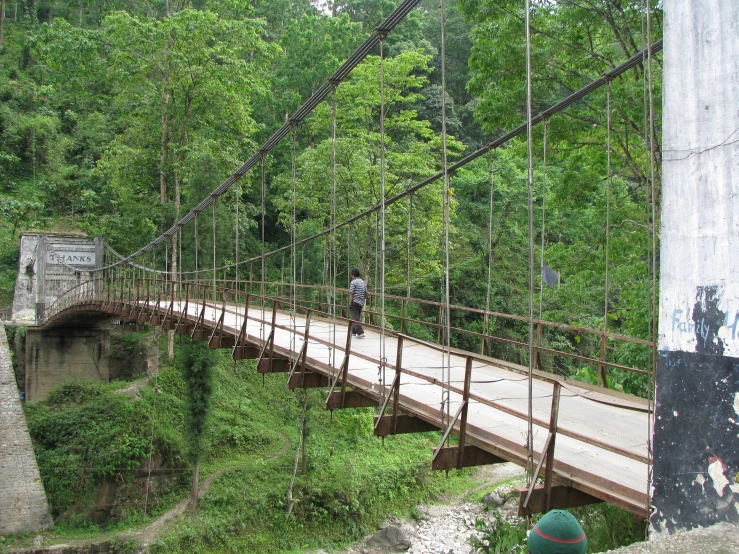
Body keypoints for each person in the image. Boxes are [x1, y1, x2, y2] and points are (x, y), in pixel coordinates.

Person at [348, 268, 366, 338]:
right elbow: (365, 293)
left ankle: (360, 332)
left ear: (353, 275)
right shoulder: (362, 282)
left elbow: (351, 293)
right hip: (360, 303)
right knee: (356, 316)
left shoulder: (353, 282)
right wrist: (363, 300)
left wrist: (350, 303)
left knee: (355, 318)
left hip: (355, 302)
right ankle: (353, 332)